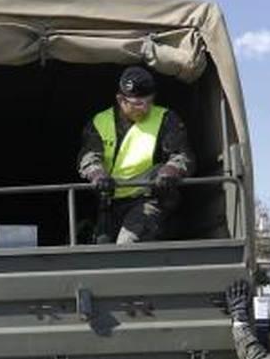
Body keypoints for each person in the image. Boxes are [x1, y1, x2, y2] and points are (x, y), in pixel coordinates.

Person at [77, 66, 193, 244]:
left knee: (127, 244)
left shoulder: (166, 118)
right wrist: (98, 175)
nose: (145, 108)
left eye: (150, 101)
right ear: (120, 100)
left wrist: (170, 171)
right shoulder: (100, 122)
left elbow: (182, 156)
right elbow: (88, 157)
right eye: (138, 104)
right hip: (109, 201)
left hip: (148, 199)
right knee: (101, 247)